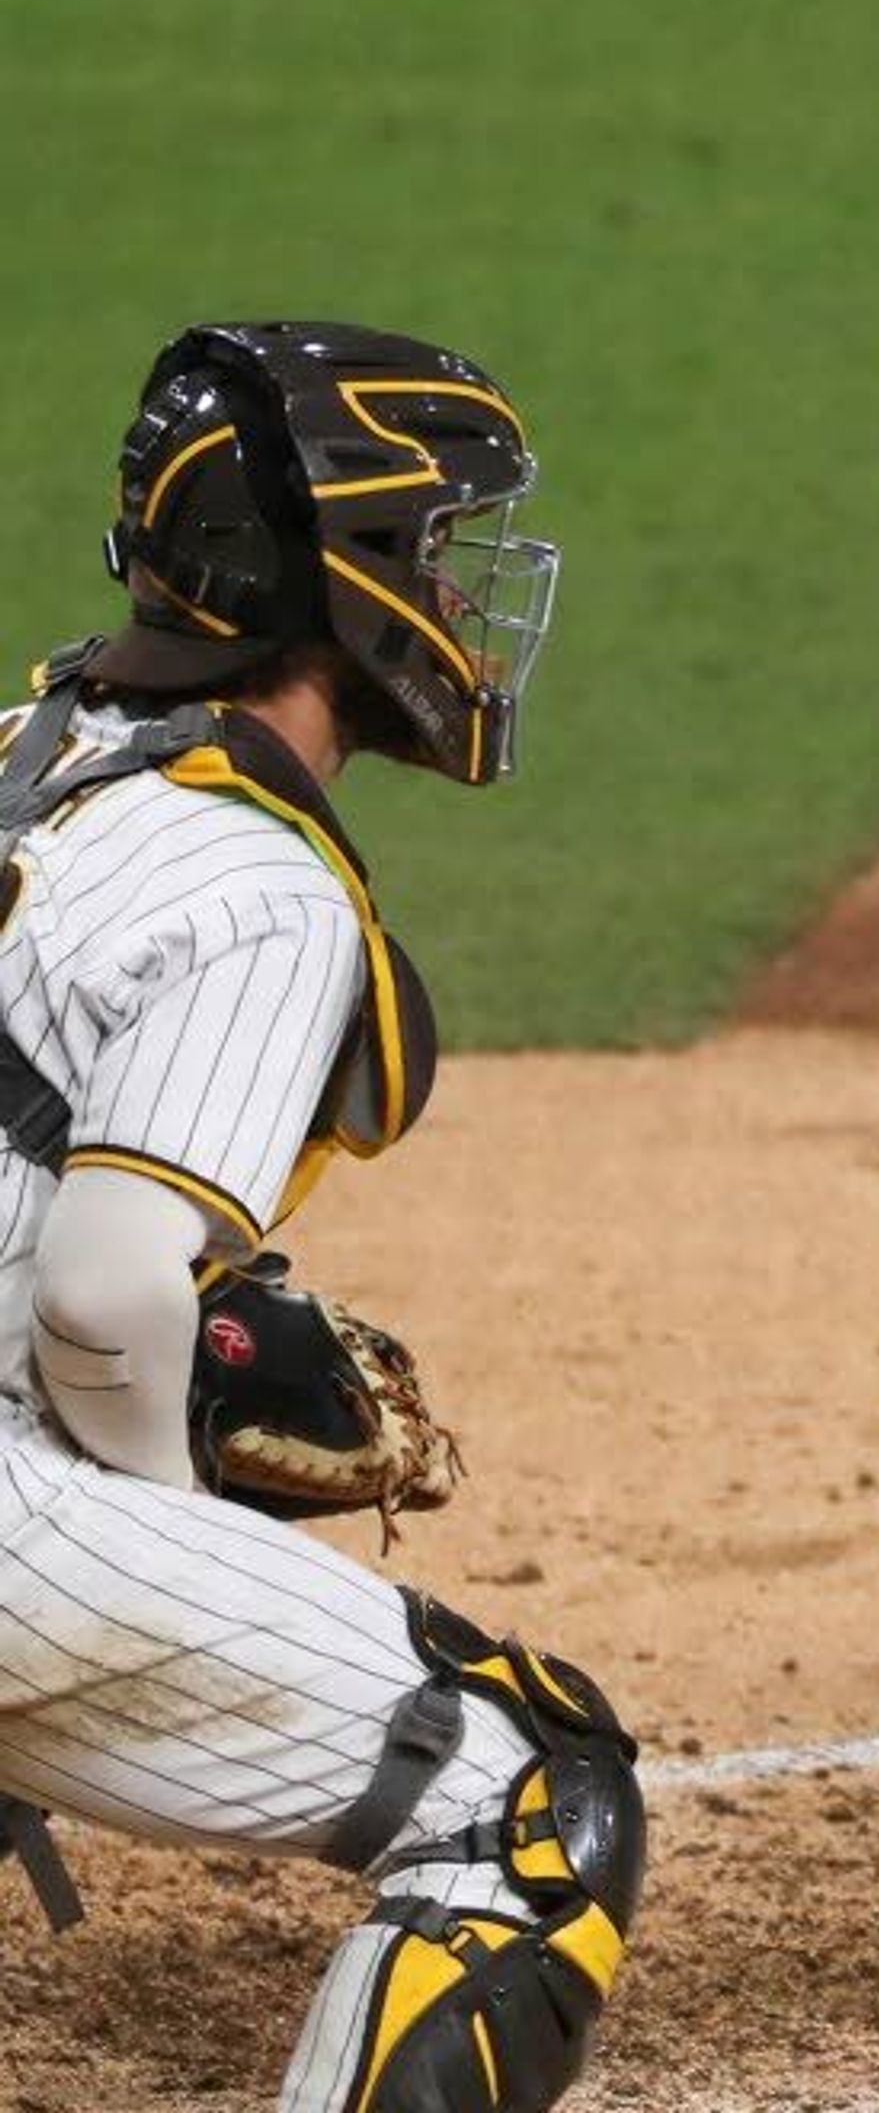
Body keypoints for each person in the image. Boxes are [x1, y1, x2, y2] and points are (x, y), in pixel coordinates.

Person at [0, 323, 643, 2109]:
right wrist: (172, 1527)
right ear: (342, 580)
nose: (458, 596)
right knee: (524, 1788)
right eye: (434, 551)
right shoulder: (256, 884)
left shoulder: (20, 756)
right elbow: (109, 1293)